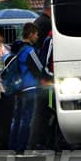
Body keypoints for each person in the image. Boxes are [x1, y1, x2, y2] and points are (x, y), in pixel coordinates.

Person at [8, 22, 42, 153]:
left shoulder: (16, 48)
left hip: (18, 87)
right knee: (27, 118)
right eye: (36, 34)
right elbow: (39, 68)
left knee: (17, 118)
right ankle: (21, 147)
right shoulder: (29, 50)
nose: (37, 37)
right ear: (31, 34)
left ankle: (13, 145)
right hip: (29, 87)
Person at [27, 22, 55, 152]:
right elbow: (43, 65)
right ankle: (39, 142)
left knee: (47, 112)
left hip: (46, 83)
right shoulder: (50, 41)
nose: (37, 37)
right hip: (48, 85)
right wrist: (51, 78)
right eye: (36, 34)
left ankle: (46, 141)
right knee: (45, 112)